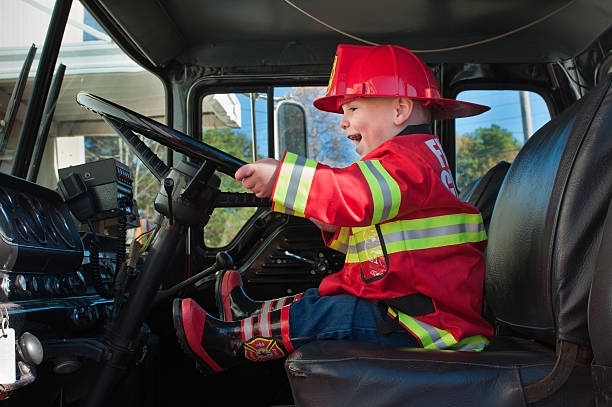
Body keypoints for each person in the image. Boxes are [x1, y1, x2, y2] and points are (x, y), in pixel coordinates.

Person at [172, 43, 494, 374]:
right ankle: (246, 315)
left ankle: (229, 344)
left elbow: (354, 194)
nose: (343, 123)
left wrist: (282, 177)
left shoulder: (410, 163)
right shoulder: (416, 163)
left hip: (430, 329)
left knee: (334, 314)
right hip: (414, 313)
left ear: (400, 109)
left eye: (352, 108)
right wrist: (333, 227)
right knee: (318, 300)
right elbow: (382, 241)